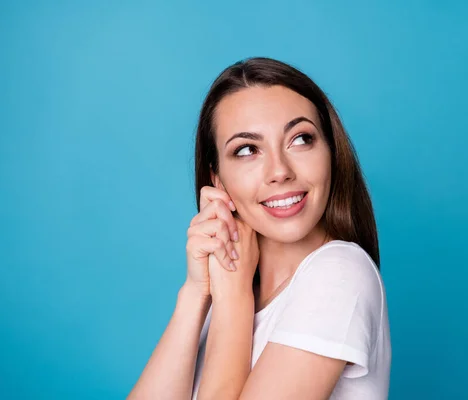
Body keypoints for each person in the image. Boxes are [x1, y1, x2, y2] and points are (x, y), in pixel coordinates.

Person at [128, 57, 391, 400]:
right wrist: (197, 292)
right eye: (248, 149)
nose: (279, 170)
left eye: (300, 139)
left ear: (331, 152)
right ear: (217, 179)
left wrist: (235, 301)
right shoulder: (226, 290)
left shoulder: (339, 274)